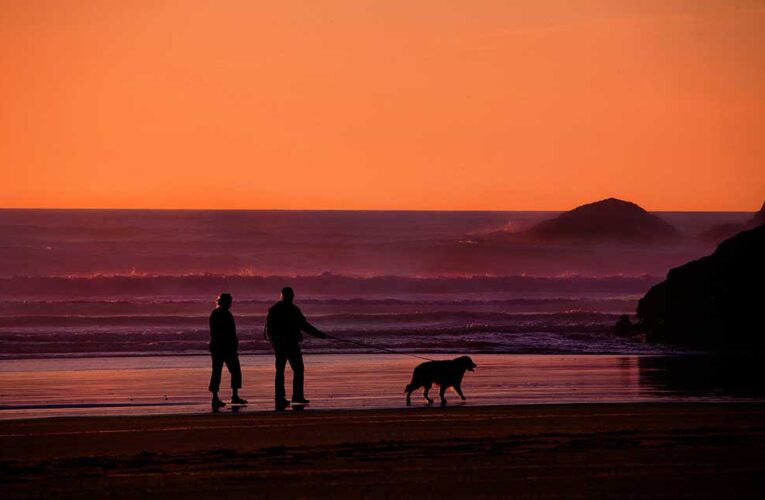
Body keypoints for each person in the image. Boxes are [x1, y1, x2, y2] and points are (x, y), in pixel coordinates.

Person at [265, 287, 327, 410]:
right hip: (291, 344)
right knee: (298, 369)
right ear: (289, 296)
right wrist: (319, 334)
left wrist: (274, 341)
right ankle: (297, 396)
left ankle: (280, 397)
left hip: (279, 345)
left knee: (280, 371)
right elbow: (304, 325)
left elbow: (270, 330)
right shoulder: (293, 309)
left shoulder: (274, 310)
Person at [208, 293, 247, 410]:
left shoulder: (217, 313)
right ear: (224, 302)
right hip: (225, 347)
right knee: (234, 371)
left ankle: (217, 398)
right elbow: (226, 333)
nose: (230, 304)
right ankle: (232, 396)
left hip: (218, 347)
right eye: (229, 302)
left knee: (217, 372)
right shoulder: (223, 314)